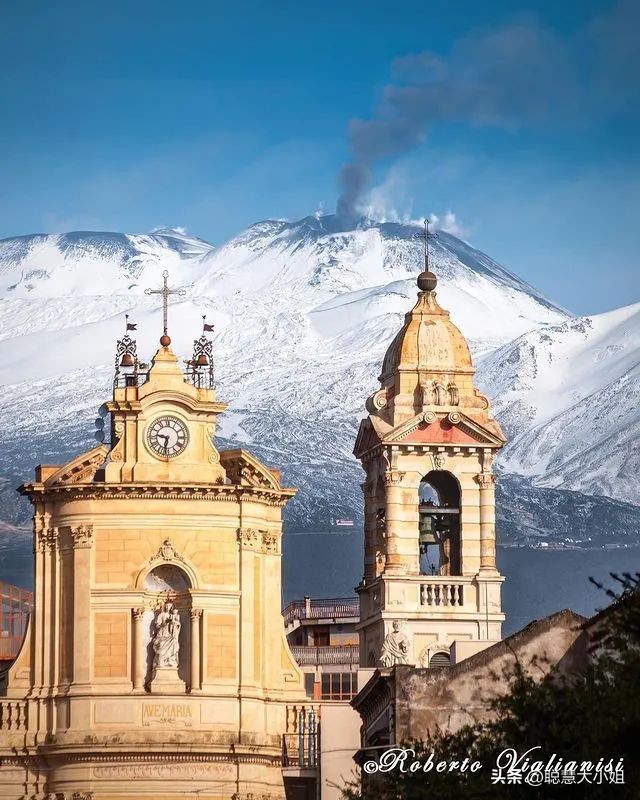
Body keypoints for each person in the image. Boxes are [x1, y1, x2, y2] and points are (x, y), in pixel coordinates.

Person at [152, 600, 181, 668]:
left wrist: (174, 623)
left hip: (169, 635)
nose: (168, 607)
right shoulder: (161, 615)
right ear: (165, 606)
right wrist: (164, 624)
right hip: (161, 635)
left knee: (174, 642)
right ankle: (160, 661)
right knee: (161, 644)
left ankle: (170, 660)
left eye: (170, 606)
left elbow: (177, 626)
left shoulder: (173, 615)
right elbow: (157, 626)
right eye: (167, 606)